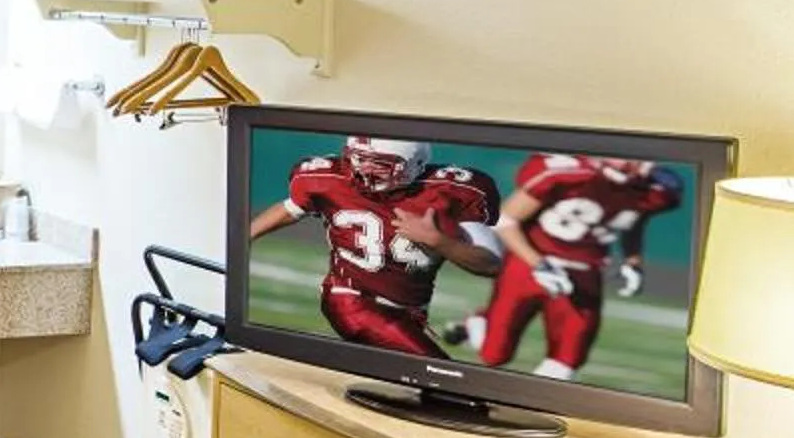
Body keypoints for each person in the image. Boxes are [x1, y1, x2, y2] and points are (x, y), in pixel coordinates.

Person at [250, 137, 502, 356]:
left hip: (410, 312)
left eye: (380, 164)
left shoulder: (452, 192)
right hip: (351, 300)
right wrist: (239, 237)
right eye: (359, 160)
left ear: (413, 165)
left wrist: (437, 240)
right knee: (442, 378)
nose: (365, 171)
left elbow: (490, 264)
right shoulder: (329, 179)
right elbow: (290, 209)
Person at [461, 153, 683, 379]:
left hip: (585, 273)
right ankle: (479, 322)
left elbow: (634, 220)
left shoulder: (654, 190)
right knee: (494, 356)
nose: (637, 163)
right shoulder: (566, 174)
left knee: (567, 362)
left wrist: (632, 261)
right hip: (529, 265)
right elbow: (506, 219)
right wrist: (539, 264)